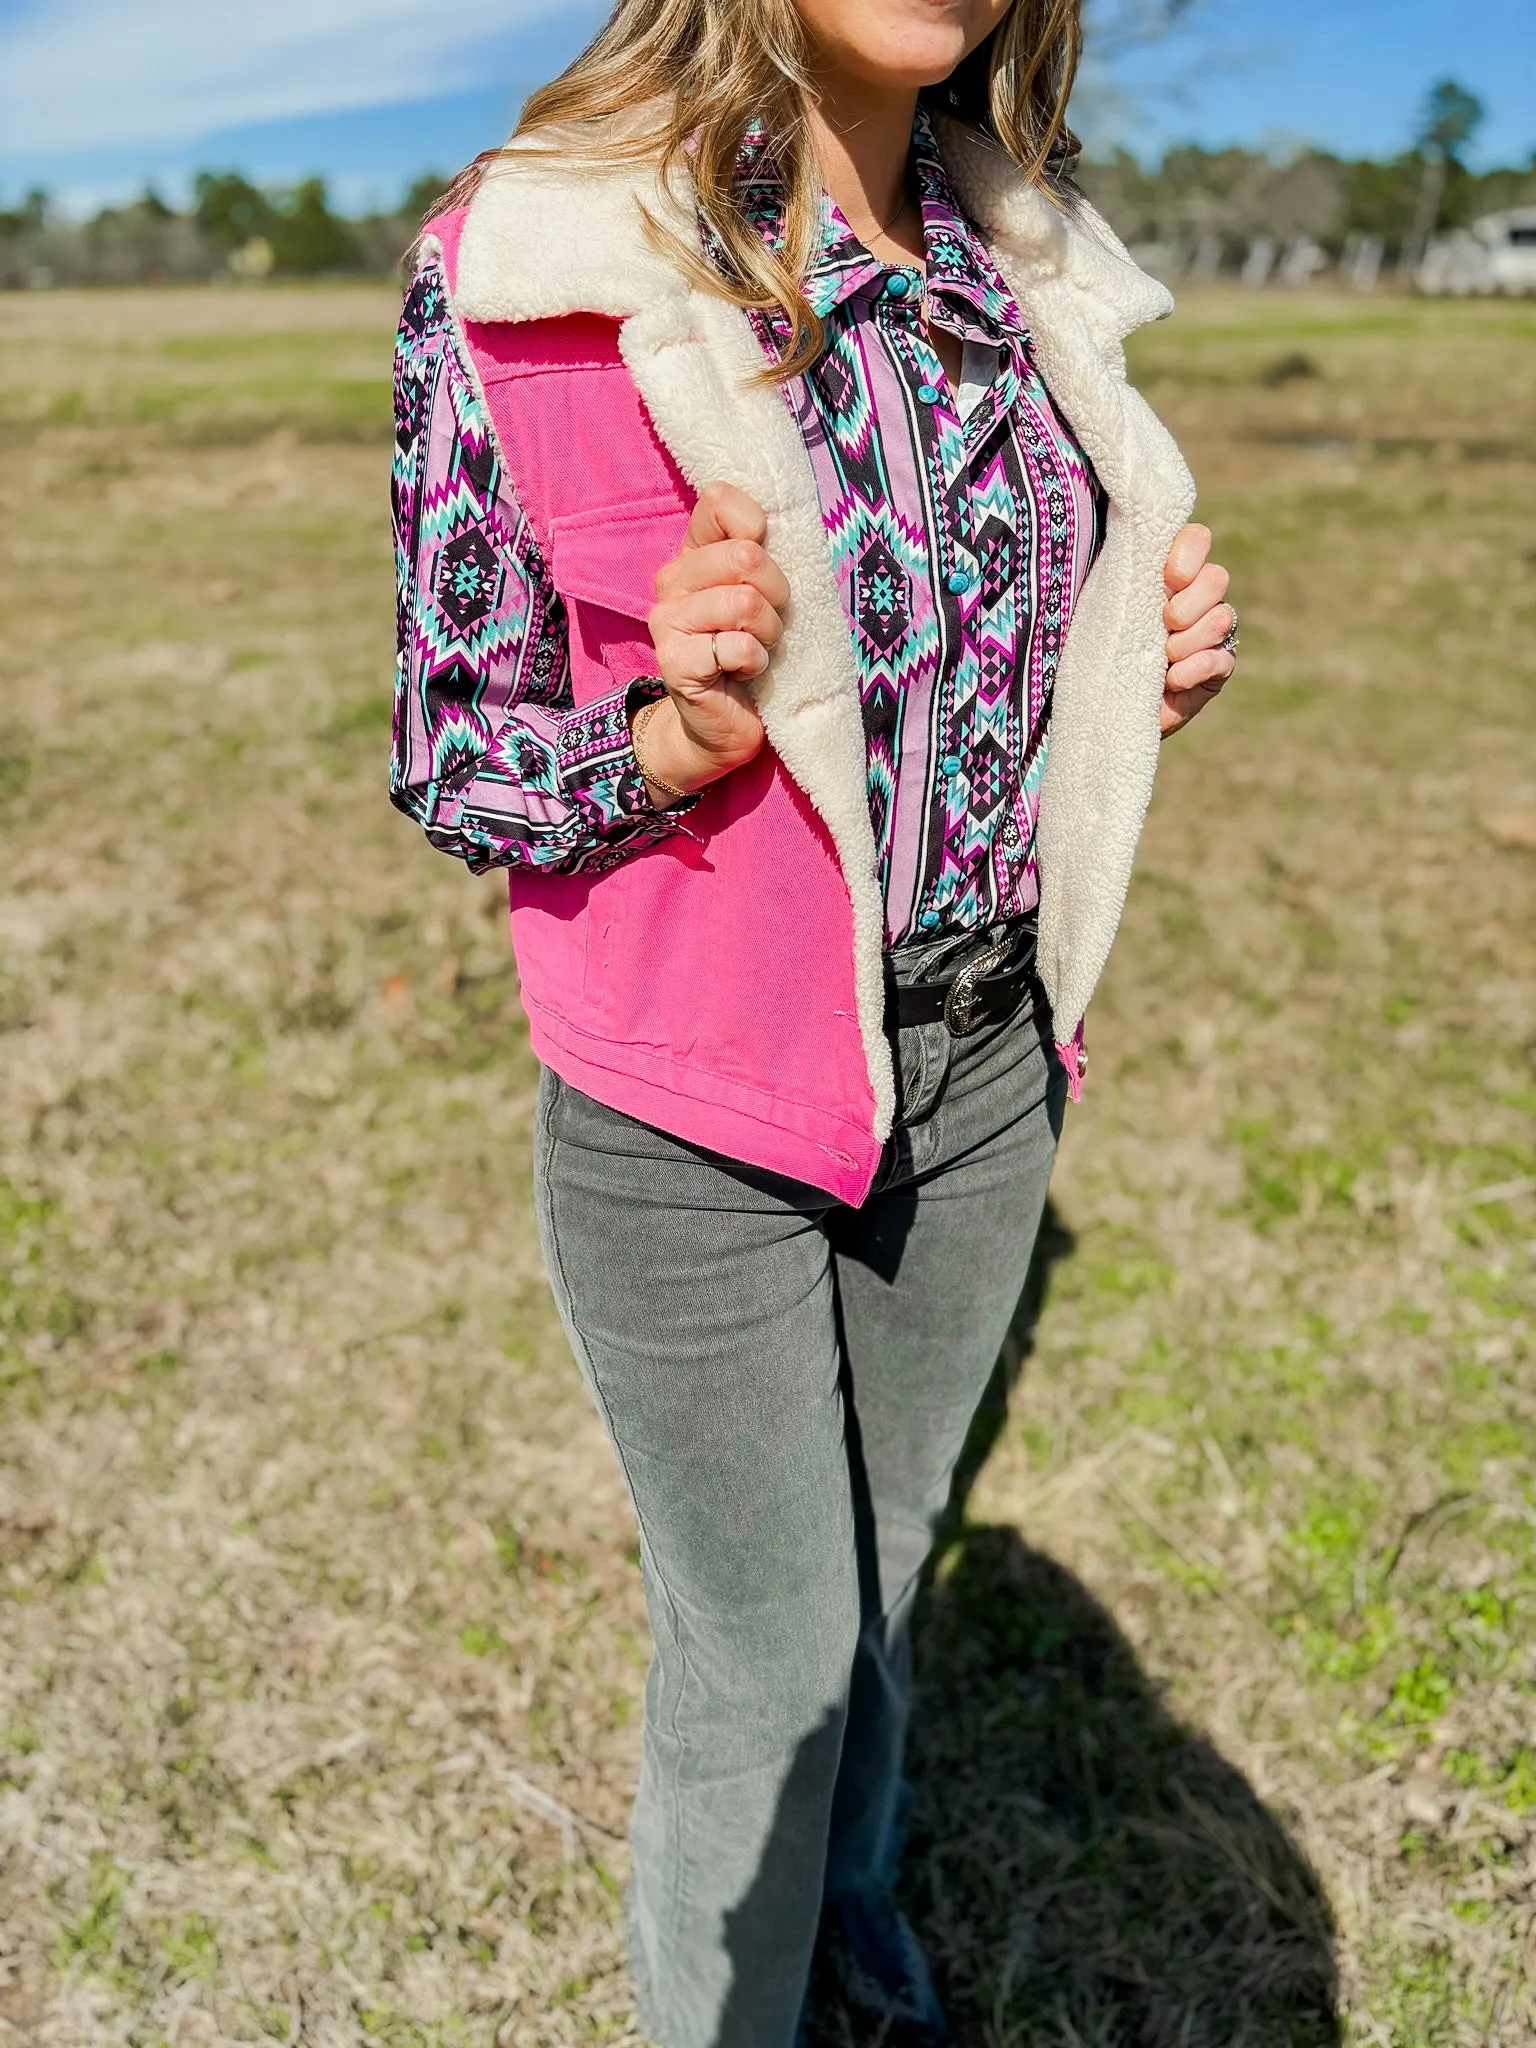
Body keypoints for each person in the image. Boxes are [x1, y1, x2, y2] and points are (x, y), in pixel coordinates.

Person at [390, 2, 1237, 2041]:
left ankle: (852, 1908)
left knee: (883, 1579)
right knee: (764, 1653)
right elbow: (454, 748)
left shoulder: (1021, 269)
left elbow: (996, 686)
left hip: (985, 1062)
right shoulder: (528, 266)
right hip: (695, 1102)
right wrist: (668, 739)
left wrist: (1135, 668)